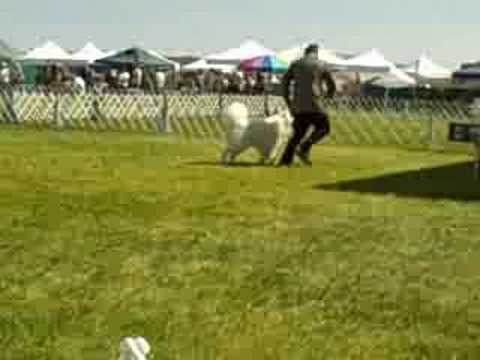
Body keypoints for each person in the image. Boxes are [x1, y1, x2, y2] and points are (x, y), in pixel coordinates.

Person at [278, 43, 336, 167]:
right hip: (315, 104)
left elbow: (284, 83)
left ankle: (285, 161)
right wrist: (328, 96)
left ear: (305, 52)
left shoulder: (295, 64)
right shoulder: (321, 64)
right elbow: (331, 84)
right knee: (324, 128)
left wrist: (288, 101)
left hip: (298, 105)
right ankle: (304, 147)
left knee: (297, 134)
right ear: (316, 53)